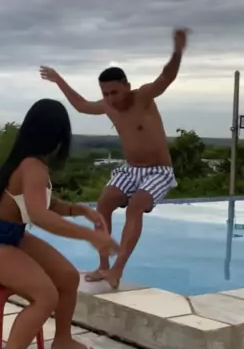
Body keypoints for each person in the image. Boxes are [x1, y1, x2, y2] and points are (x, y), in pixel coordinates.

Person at [0, 98, 119, 349]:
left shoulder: (28, 161)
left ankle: (62, 340)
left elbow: (42, 202)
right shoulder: (31, 165)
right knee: (45, 295)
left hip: (10, 234)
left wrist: (79, 209)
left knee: (67, 277)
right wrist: (90, 235)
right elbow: (40, 215)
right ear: (58, 135)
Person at [40, 28, 189, 289]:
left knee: (135, 206)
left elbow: (166, 78)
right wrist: (58, 80)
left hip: (158, 171)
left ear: (127, 87)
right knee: (104, 204)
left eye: (115, 92)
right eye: (106, 93)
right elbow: (81, 105)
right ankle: (103, 266)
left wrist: (177, 52)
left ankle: (117, 270)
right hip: (131, 170)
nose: (110, 99)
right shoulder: (108, 106)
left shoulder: (142, 98)